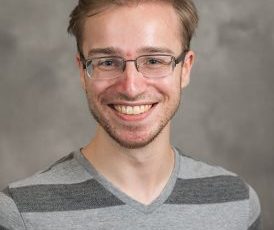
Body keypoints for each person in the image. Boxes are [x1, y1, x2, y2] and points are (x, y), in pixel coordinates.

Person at [0, 0, 262, 229]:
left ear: (185, 69)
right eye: (107, 62)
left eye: (154, 60)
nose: (131, 88)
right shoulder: (20, 212)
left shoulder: (237, 202)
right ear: (82, 71)